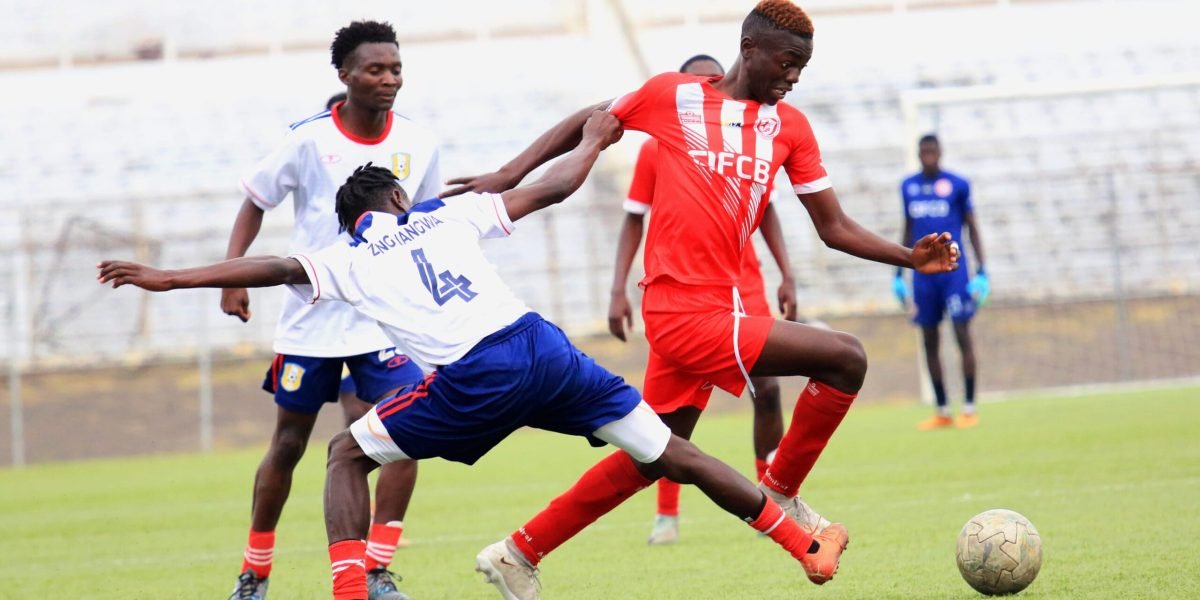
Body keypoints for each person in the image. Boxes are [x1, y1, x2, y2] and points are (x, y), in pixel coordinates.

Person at [99, 111, 855, 600]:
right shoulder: (444, 214)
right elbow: (550, 189)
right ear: (393, 201)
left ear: (351, 218)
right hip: (546, 350)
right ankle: (804, 544)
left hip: (477, 378)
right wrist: (593, 140)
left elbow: (267, 269)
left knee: (343, 454)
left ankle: (351, 592)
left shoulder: (344, 257)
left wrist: (169, 278)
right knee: (671, 452)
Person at [441, 0, 960, 590]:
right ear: (750, 51)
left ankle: (518, 552)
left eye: (803, 68)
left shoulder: (790, 128)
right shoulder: (674, 95)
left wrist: (909, 257)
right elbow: (586, 119)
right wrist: (508, 176)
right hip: (679, 312)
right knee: (846, 357)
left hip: (717, 308)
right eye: (788, 63)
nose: (794, 77)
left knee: (653, 453)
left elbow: (832, 227)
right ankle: (781, 492)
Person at [218, 21, 439, 600]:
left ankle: (375, 571)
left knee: (396, 437)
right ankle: (254, 572)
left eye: (395, 68)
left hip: (381, 319)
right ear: (344, 75)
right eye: (375, 69)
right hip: (310, 318)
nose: (389, 79)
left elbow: (427, 219)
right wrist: (232, 276)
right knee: (288, 446)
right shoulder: (308, 140)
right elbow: (255, 201)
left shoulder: (419, 141)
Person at [609, 53, 802, 545]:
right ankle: (667, 514)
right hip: (683, 291)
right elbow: (634, 217)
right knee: (666, 419)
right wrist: (618, 289)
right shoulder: (660, 145)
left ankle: (774, 494)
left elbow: (769, 212)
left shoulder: (754, 135)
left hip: (744, 282)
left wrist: (786, 273)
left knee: (771, 389)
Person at [893, 134, 989, 430]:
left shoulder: (957, 184)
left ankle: (970, 407)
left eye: (932, 151)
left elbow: (972, 226)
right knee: (929, 340)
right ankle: (943, 410)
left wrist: (982, 270)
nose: (928, 156)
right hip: (923, 276)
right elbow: (907, 229)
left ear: (940, 153)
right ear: (919, 154)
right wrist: (899, 273)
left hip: (954, 272)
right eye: (923, 152)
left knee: (962, 335)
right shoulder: (908, 186)